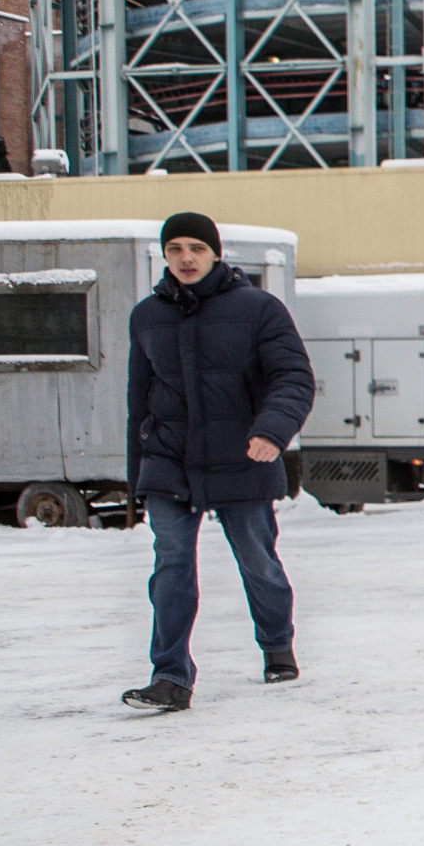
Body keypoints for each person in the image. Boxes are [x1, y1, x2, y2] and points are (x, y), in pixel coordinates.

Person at [119, 213, 317, 713]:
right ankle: (169, 676)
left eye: (197, 249)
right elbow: (138, 400)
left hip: (241, 457)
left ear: (215, 253)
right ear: (164, 255)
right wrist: (135, 476)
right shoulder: (146, 316)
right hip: (169, 460)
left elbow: (293, 378)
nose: (186, 258)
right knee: (172, 567)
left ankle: (277, 646)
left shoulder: (258, 309)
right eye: (175, 249)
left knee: (257, 562)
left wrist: (272, 431)